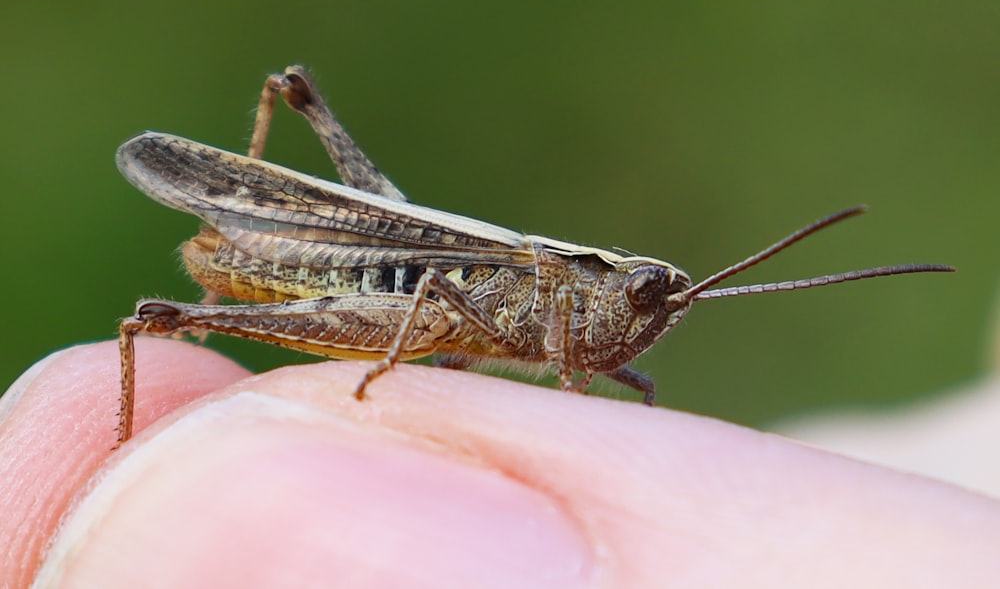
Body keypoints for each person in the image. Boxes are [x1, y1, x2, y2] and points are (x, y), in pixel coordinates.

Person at [3, 338, 998, 587]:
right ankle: (134, 457)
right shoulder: (539, 283)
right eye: (646, 296)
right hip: (369, 275)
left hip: (414, 315)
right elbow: (438, 284)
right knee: (154, 336)